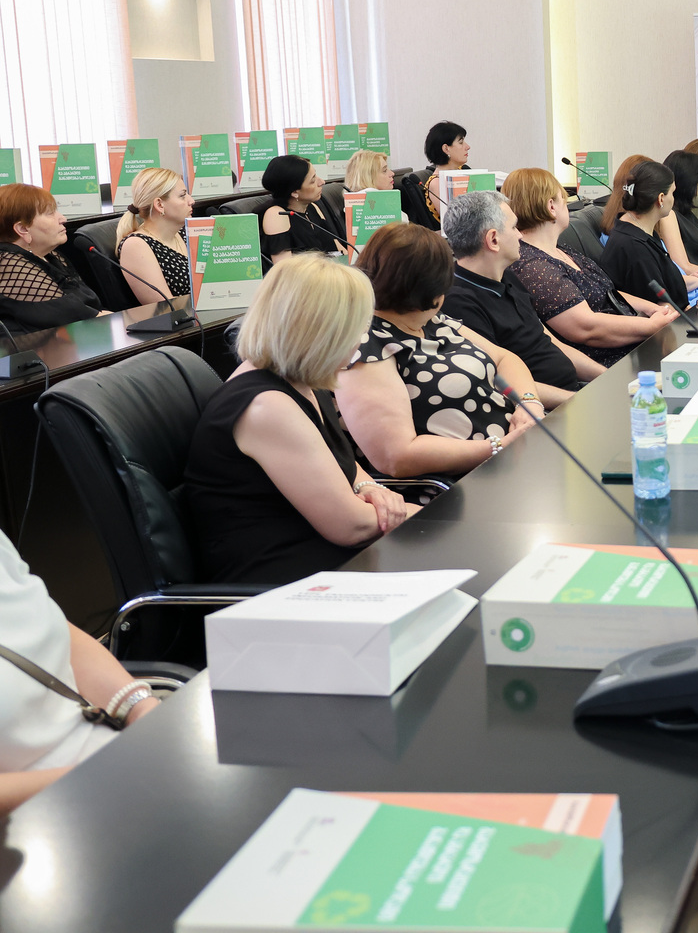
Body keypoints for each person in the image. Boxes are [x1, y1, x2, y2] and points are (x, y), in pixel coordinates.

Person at [183, 254, 411, 586]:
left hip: (325, 561)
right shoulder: (267, 407)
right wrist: (424, 518)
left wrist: (370, 487)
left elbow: (341, 462)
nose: (361, 341)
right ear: (322, 334)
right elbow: (350, 526)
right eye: (357, 329)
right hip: (283, 583)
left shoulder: (299, 379)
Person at [336, 224, 543, 478]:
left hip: (514, 454)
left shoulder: (432, 320)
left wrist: (528, 403)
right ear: (430, 290)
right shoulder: (365, 348)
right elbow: (396, 457)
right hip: (469, 480)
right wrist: (497, 447)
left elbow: (503, 359)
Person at [0, 528, 160, 814]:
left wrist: (141, 709)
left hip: (113, 763)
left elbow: (49, 628)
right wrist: (98, 775)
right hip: (36, 814)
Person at [503, 167, 679, 368]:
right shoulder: (533, 266)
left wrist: (654, 309)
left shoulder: (560, 249)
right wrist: (650, 325)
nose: (567, 206)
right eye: (564, 200)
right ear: (551, 206)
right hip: (608, 365)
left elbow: (606, 292)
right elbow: (586, 328)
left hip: (631, 347)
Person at [438, 190, 602, 395]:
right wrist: (576, 399)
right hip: (540, 406)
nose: (520, 235)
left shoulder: (506, 276)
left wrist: (608, 378)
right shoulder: (458, 303)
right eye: (514, 227)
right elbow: (499, 383)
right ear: (493, 240)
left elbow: (550, 342)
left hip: (572, 391)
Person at [0, 184, 100, 333]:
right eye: (50, 213)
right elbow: (72, 315)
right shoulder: (8, 264)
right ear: (23, 229)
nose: (63, 219)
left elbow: (90, 309)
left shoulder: (50, 255)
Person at [600, 159, 690, 307]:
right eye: (672, 193)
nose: (673, 199)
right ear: (661, 199)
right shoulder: (636, 248)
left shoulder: (635, 232)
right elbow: (660, 306)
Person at [114, 167, 193, 305]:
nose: (191, 201)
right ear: (159, 205)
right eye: (182, 195)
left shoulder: (185, 232)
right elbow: (166, 307)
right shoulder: (136, 246)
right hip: (184, 318)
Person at [259, 154, 344, 266]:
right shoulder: (277, 215)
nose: (322, 182)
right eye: (313, 180)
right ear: (295, 192)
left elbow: (340, 251)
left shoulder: (313, 207)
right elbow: (284, 268)